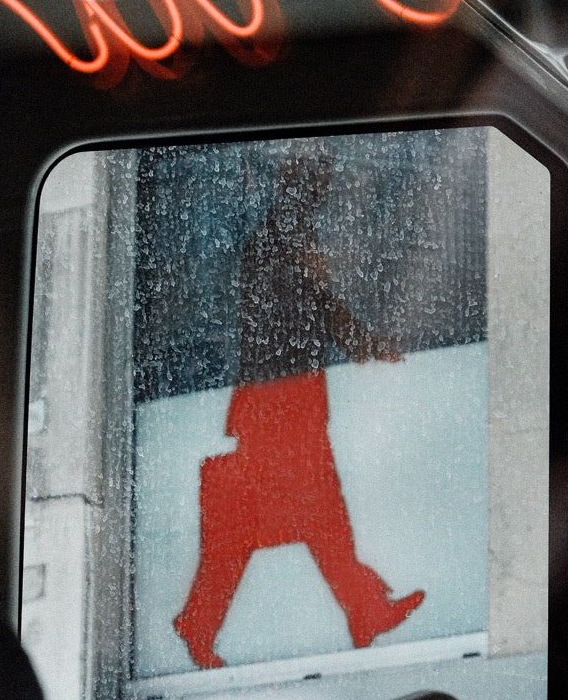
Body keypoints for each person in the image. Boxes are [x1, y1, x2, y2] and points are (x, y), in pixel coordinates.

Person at [174, 155, 424, 669]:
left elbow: (318, 309)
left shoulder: (284, 238)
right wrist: (362, 340)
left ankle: (360, 612)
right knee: (298, 518)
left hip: (285, 402)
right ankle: (358, 613)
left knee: (308, 517)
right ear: (297, 183)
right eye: (318, 179)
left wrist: (365, 344)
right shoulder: (279, 240)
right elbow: (303, 315)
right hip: (280, 404)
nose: (325, 189)